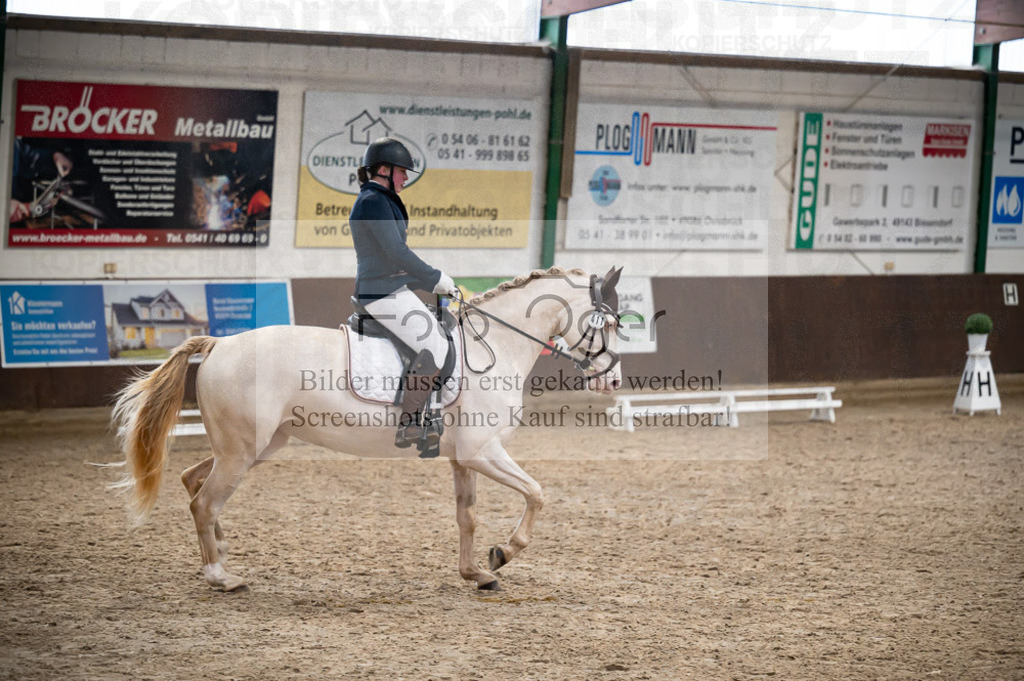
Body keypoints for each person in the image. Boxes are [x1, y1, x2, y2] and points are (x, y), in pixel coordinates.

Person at [349, 137, 458, 448]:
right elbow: (396, 252)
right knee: (435, 342)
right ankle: (409, 422)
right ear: (384, 170)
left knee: (436, 333)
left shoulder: (380, 199)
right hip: (380, 292)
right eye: (402, 171)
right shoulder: (373, 201)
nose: (406, 177)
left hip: (389, 287)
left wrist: (428, 282)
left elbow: (392, 258)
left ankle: (430, 411)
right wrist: (434, 277)